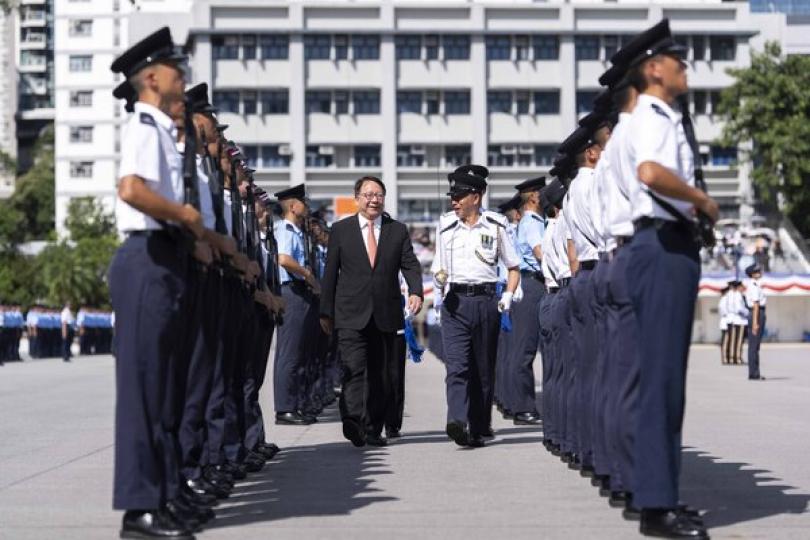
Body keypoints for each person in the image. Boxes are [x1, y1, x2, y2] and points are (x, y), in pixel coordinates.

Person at [619, 19, 717, 539]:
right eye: (680, 62)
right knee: (662, 383)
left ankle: (658, 496)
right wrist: (703, 201)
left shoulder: (654, 114)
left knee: (662, 381)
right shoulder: (655, 114)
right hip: (662, 245)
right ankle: (657, 506)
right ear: (655, 69)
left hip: (661, 244)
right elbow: (652, 173)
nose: (686, 70)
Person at [108, 26, 206, 539]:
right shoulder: (144, 125)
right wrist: (184, 214)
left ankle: (163, 496)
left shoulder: (162, 130)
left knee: (165, 391)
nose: (182, 77)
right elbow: (131, 190)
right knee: (144, 391)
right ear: (151, 77)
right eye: (175, 69)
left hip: (164, 257)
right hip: (146, 257)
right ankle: (138, 509)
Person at [320, 176, 423, 447]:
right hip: (350, 313)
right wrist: (325, 311)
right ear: (357, 199)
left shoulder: (396, 230)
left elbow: (410, 264)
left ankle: (373, 429)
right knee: (354, 368)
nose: (373, 200)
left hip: (385, 313)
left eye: (378, 195)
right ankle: (353, 420)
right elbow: (330, 273)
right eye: (368, 195)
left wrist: (415, 291)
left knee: (380, 374)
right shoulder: (340, 230)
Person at [431, 165, 521, 448]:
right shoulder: (445, 225)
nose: (454, 201)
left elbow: (513, 266)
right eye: (452, 196)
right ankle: (457, 421)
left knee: (483, 369)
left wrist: (507, 296)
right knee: (457, 366)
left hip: (486, 301)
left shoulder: (496, 225)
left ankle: (479, 426)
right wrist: (438, 287)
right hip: (455, 302)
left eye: (459, 196)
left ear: (476, 196)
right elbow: (438, 266)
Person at [273, 183, 321, 426]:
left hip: (300, 291)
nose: (307, 206)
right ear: (293, 206)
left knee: (300, 353)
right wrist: (307, 274)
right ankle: (284, 408)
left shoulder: (297, 231)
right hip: (291, 290)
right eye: (304, 202)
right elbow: (283, 258)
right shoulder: (285, 229)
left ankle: (295, 404)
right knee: (289, 353)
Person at [507, 176, 547, 426]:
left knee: (523, 349)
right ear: (533, 196)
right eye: (542, 192)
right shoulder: (532, 222)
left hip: (531, 283)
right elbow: (540, 253)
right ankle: (523, 408)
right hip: (533, 284)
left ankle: (520, 405)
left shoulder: (534, 221)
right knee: (525, 350)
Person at [745, 264, 766, 380]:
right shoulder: (753, 286)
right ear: (752, 274)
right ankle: (754, 373)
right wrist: (755, 323)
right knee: (754, 346)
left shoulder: (755, 285)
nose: (760, 272)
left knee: (754, 346)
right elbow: (756, 305)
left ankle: (754, 372)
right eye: (757, 271)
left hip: (756, 313)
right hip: (756, 314)